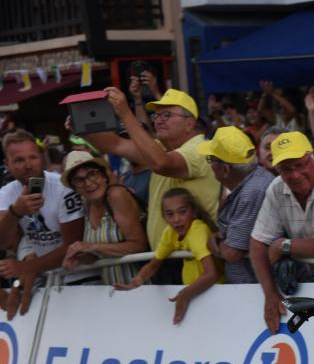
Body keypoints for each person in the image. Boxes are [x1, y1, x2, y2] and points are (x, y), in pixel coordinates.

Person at [81, 88, 221, 259]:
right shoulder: (160, 149)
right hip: (166, 258)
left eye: (167, 115)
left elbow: (161, 163)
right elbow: (115, 144)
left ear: (190, 123)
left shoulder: (200, 148)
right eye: (156, 116)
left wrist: (126, 114)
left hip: (192, 258)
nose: (159, 121)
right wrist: (81, 128)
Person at [251, 131, 314, 331]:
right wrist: (270, 294)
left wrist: (285, 246)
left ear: (313, 156)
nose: (295, 175)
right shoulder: (276, 187)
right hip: (312, 287)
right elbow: (257, 243)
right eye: (285, 169)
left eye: (300, 165)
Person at [0, 130, 88, 309]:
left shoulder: (63, 187)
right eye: (19, 160)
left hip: (80, 275)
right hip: (43, 279)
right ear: (7, 165)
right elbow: (2, 242)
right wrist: (15, 212)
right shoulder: (6, 193)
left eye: (33, 157)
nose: (28, 165)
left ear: (41, 157)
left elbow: (71, 247)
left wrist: (25, 268)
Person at [114, 188, 221, 323]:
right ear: (163, 217)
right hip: (196, 293)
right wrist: (138, 280)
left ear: (193, 212)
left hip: (214, 293)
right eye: (169, 214)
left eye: (182, 212)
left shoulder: (196, 230)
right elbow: (154, 264)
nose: (176, 219)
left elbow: (212, 274)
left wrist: (184, 295)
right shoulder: (169, 232)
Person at [198, 126, 275, 284]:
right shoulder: (256, 179)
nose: (210, 166)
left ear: (225, 169)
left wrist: (215, 243)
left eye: (210, 160)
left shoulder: (251, 193)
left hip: (255, 291)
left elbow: (232, 253)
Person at [60, 151, 146, 285]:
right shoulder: (87, 205)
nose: (88, 183)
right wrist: (78, 257)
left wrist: (92, 246)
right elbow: (99, 253)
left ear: (104, 176)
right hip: (112, 292)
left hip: (140, 288)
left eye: (92, 174)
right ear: (75, 188)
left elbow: (139, 245)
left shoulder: (116, 195)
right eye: (79, 180)